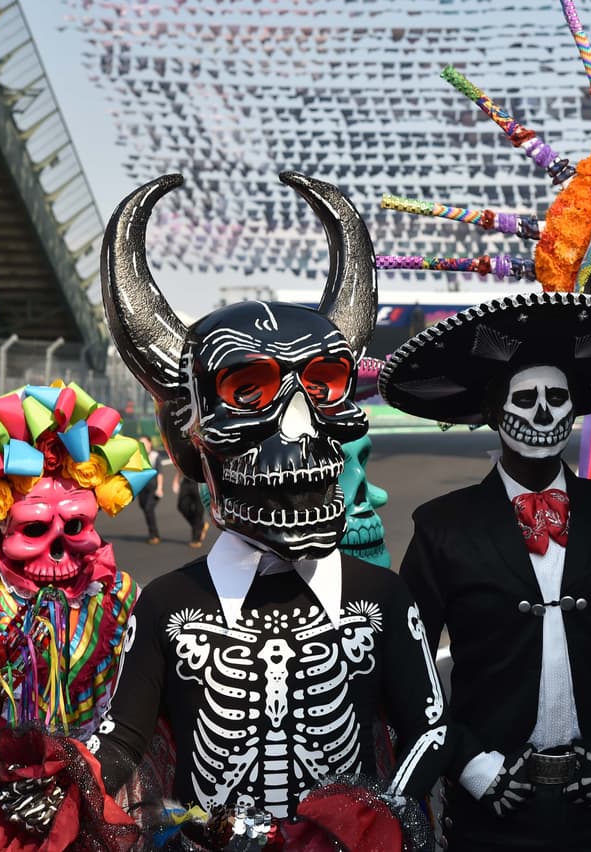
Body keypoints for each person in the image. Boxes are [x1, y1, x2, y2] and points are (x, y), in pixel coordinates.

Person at [84, 171, 449, 848]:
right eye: (247, 392)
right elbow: (120, 738)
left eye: (323, 388)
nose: (301, 431)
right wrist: (60, 778)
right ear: (194, 437)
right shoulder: (168, 603)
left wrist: (377, 813)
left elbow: (429, 727)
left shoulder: (381, 597)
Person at [381, 290, 591, 852]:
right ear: (495, 414)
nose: (543, 414)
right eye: (525, 399)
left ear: (575, 408)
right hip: (492, 812)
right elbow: (408, 667)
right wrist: (470, 762)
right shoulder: (443, 526)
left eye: (557, 398)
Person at [0, 382, 156, 848]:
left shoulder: (116, 594)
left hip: (86, 805)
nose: (58, 548)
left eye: (75, 525)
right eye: (34, 528)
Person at [136, 434, 163, 544]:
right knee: (144, 508)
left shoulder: (155, 456)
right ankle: (152, 534)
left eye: (144, 443)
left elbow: (160, 473)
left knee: (148, 508)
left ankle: (154, 535)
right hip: (142, 489)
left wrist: (160, 488)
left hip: (153, 489)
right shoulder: (137, 457)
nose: (142, 445)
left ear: (150, 443)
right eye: (140, 443)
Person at [175, 470, 208, 547]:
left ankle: (196, 539)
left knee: (198, 511)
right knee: (182, 506)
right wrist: (176, 480)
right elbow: (181, 467)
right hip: (187, 481)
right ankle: (200, 526)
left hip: (201, 483)